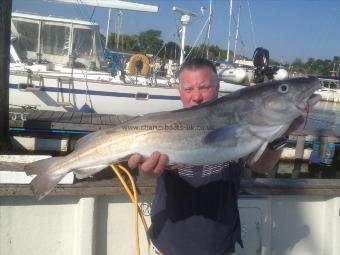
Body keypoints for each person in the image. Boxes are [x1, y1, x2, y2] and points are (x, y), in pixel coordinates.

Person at [128, 58, 305, 255]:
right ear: (180, 91)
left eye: (204, 87)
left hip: (219, 245)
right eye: (188, 89)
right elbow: (146, 175)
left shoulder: (241, 122)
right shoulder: (159, 128)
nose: (196, 96)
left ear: (218, 87)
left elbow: (262, 166)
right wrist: (147, 173)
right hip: (166, 244)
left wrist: (280, 135)